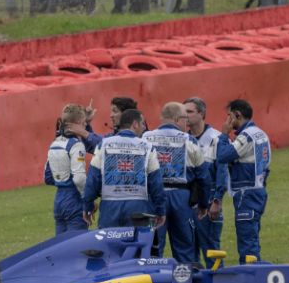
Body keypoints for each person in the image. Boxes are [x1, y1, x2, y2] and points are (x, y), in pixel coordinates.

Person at [143, 102, 211, 263]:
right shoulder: (190, 140)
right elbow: (204, 177)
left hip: (153, 197)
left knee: (153, 248)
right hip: (182, 198)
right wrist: (203, 204)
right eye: (185, 119)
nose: (186, 123)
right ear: (176, 119)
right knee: (185, 249)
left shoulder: (145, 138)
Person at [82, 109, 166, 229]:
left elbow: (92, 180)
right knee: (138, 246)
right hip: (139, 207)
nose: (143, 127)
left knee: (108, 246)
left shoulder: (103, 145)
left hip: (109, 207)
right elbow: (156, 184)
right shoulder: (148, 147)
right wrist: (161, 210)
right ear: (135, 124)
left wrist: (87, 206)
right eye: (142, 123)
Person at [216, 99, 272, 263]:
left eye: (229, 116)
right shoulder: (261, 133)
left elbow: (223, 156)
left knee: (247, 245)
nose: (227, 121)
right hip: (258, 190)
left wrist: (224, 135)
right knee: (252, 240)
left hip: (246, 194)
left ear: (237, 115)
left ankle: (251, 280)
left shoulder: (246, 137)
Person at [184, 97, 227, 268]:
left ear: (201, 114)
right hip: (186, 204)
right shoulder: (183, 139)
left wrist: (217, 200)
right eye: (183, 112)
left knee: (211, 250)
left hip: (209, 203)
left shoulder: (216, 138)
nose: (185, 116)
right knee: (189, 252)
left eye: (189, 111)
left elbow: (222, 173)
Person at [44, 104, 89, 234]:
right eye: (85, 123)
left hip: (59, 200)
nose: (85, 126)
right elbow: (79, 179)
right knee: (77, 247)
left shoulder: (54, 143)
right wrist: (87, 200)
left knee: (60, 247)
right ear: (79, 123)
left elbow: (47, 177)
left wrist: (61, 181)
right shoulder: (76, 145)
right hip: (74, 199)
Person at [66, 96, 138, 154]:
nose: (111, 115)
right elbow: (91, 146)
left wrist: (84, 132)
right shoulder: (112, 136)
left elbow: (107, 144)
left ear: (126, 115)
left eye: (115, 111)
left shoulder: (138, 136)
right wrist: (86, 124)